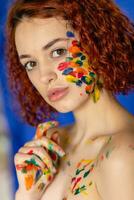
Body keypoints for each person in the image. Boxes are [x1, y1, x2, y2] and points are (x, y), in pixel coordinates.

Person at [6, 0, 134, 200]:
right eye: (31, 63)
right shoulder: (51, 143)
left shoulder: (124, 156)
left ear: (96, 41)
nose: (43, 76)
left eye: (57, 52)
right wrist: (26, 195)